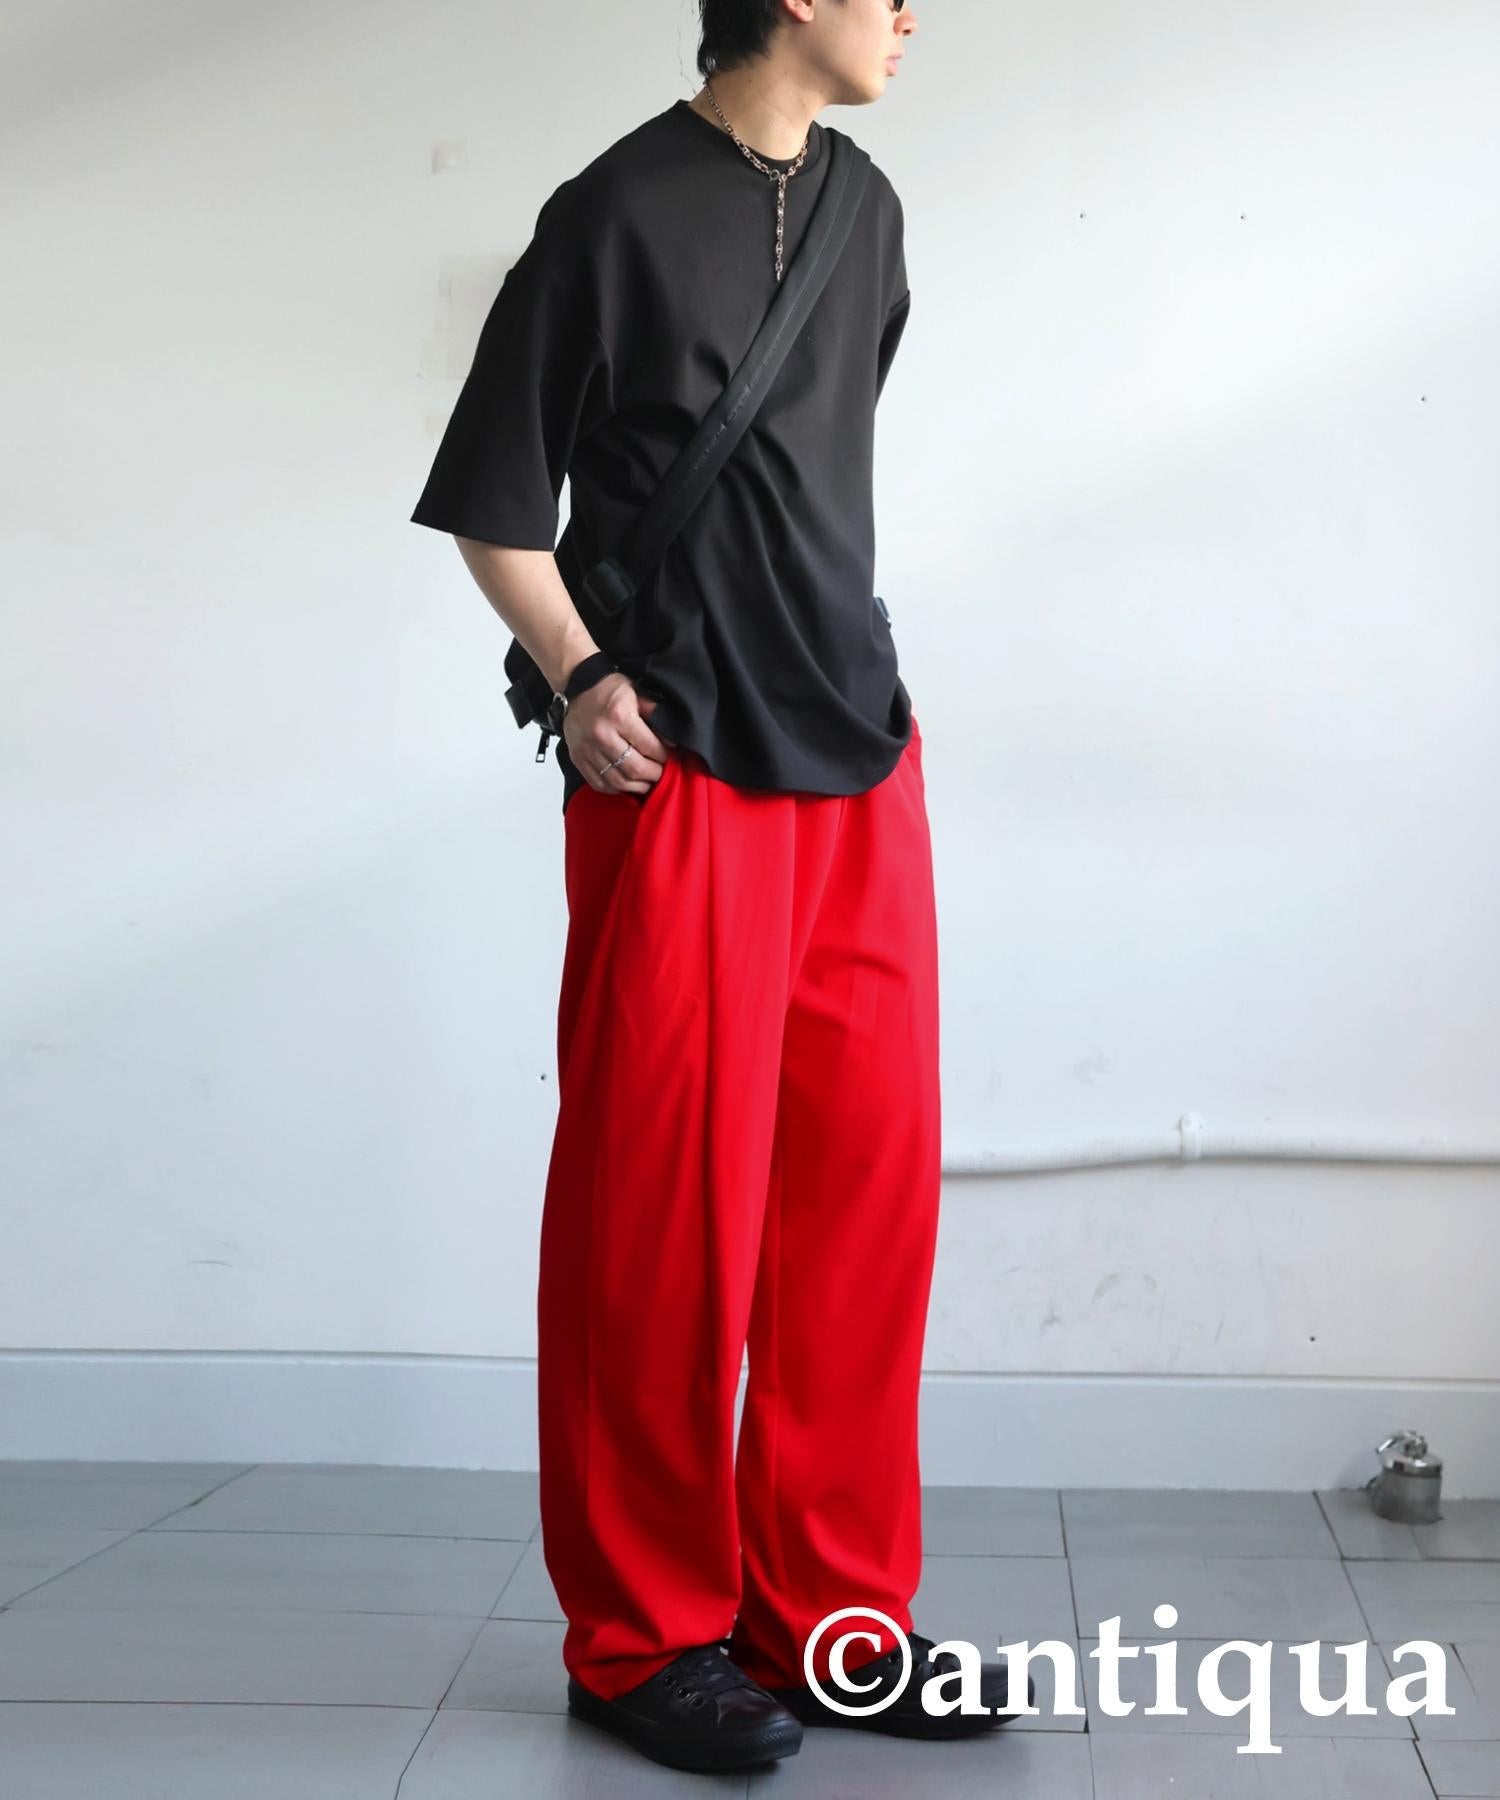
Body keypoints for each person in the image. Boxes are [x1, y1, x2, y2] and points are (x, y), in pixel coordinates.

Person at [411, 0, 1030, 1775]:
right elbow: (498, 504)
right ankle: (642, 1639)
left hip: (862, 756)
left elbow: (810, 479)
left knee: (858, 1214)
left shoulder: (869, 210)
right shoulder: (610, 213)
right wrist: (582, 675)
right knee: (663, 1221)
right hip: (677, 766)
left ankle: (829, 1621)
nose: (910, 14)